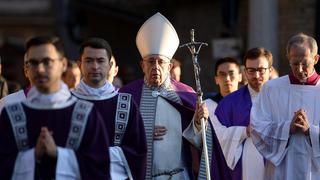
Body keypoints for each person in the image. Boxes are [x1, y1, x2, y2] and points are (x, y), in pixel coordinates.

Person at [120, 12, 228, 180]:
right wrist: (142, 133)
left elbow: (201, 143)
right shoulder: (127, 96)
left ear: (169, 66)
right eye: (150, 61)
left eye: (161, 62)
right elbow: (114, 139)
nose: (155, 66)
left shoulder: (185, 95)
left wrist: (200, 124)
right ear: (142, 65)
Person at [0, 36, 110, 179]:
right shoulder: (12, 113)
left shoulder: (86, 113)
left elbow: (99, 168)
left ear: (63, 64)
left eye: (47, 62)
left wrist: (59, 155)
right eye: (33, 63)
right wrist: (33, 156)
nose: (39, 69)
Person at [72, 37, 147, 180]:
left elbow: (138, 152)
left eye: (100, 61)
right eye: (89, 61)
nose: (95, 66)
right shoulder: (66, 103)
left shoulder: (125, 103)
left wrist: (93, 153)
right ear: (79, 64)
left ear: (110, 65)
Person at [251, 33, 320, 180]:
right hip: (281, 170)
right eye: (295, 64)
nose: (300, 69)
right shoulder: (271, 88)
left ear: (315, 59)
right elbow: (257, 126)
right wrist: (287, 128)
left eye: (305, 63)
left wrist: (311, 132)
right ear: (288, 58)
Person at [213, 47, 273, 180]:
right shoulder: (229, 103)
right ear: (245, 72)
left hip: (277, 166)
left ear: (270, 70)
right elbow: (217, 137)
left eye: (261, 70)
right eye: (251, 70)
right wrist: (245, 131)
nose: (256, 75)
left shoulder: (281, 98)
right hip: (245, 169)